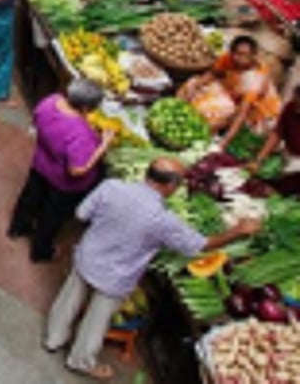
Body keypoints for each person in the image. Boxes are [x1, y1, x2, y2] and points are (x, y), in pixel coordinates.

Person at [44, 158, 262, 380]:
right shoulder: (164, 221)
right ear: (170, 186)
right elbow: (199, 245)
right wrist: (236, 231)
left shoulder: (112, 187)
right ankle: (80, 361)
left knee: (68, 299)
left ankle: (54, 338)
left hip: (88, 258)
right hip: (115, 277)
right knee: (96, 321)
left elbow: (81, 213)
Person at [8, 79, 108, 262]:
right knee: (52, 216)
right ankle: (41, 250)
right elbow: (77, 170)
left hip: (41, 164)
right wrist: (102, 147)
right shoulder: (80, 134)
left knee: (30, 197)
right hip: (63, 182)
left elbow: (37, 121)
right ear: (86, 108)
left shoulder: (50, 102)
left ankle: (18, 227)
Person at [199, 36, 283, 145]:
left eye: (246, 55)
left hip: (260, 114)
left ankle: (218, 130)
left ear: (253, 56)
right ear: (232, 53)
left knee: (221, 113)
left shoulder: (254, 78)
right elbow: (213, 73)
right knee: (198, 86)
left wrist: (224, 142)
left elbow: (242, 113)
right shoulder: (228, 59)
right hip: (237, 97)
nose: (240, 58)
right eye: (237, 54)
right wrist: (197, 84)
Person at [248, 85, 300, 196]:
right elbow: (277, 134)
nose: (297, 109)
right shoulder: (290, 108)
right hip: (291, 158)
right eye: (297, 102)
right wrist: (259, 159)